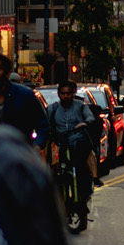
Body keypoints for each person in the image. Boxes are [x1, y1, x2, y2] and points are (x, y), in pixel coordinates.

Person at [44, 76, 100, 228]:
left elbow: (90, 119)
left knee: (84, 171)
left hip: (78, 145)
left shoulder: (81, 106)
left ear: (74, 93)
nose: (66, 96)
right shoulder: (53, 109)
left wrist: (84, 123)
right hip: (61, 146)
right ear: (58, 94)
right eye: (63, 93)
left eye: (69, 93)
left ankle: (90, 186)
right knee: (55, 174)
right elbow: (45, 126)